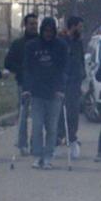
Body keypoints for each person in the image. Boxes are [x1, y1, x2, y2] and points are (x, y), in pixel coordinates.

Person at [23, 16, 68, 170]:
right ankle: (37, 156)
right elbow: (27, 69)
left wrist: (61, 89)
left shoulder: (61, 46)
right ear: (42, 30)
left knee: (52, 127)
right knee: (37, 126)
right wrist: (26, 89)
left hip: (54, 93)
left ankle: (48, 156)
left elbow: (63, 69)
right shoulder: (32, 46)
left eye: (51, 31)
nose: (48, 34)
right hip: (37, 92)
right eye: (46, 31)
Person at [4, 12, 38, 161]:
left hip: (39, 84)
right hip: (23, 83)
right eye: (31, 24)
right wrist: (21, 69)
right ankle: (22, 143)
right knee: (23, 114)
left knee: (37, 114)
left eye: (36, 24)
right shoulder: (18, 44)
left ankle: (35, 143)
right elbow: (8, 62)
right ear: (25, 25)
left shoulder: (41, 42)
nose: (34, 26)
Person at [61, 14, 86, 158]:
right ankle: (60, 137)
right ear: (73, 26)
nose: (81, 29)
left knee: (74, 113)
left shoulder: (78, 42)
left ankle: (72, 137)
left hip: (75, 83)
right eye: (80, 26)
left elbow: (80, 60)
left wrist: (82, 76)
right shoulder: (63, 41)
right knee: (62, 113)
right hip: (65, 82)